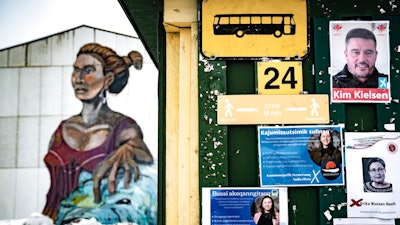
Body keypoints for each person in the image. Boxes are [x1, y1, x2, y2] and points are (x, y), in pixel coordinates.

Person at [42, 43, 154, 222]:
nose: (79, 78)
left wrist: (129, 148)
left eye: (88, 70)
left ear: (108, 79)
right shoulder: (61, 130)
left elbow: (145, 156)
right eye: (76, 70)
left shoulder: (122, 127)